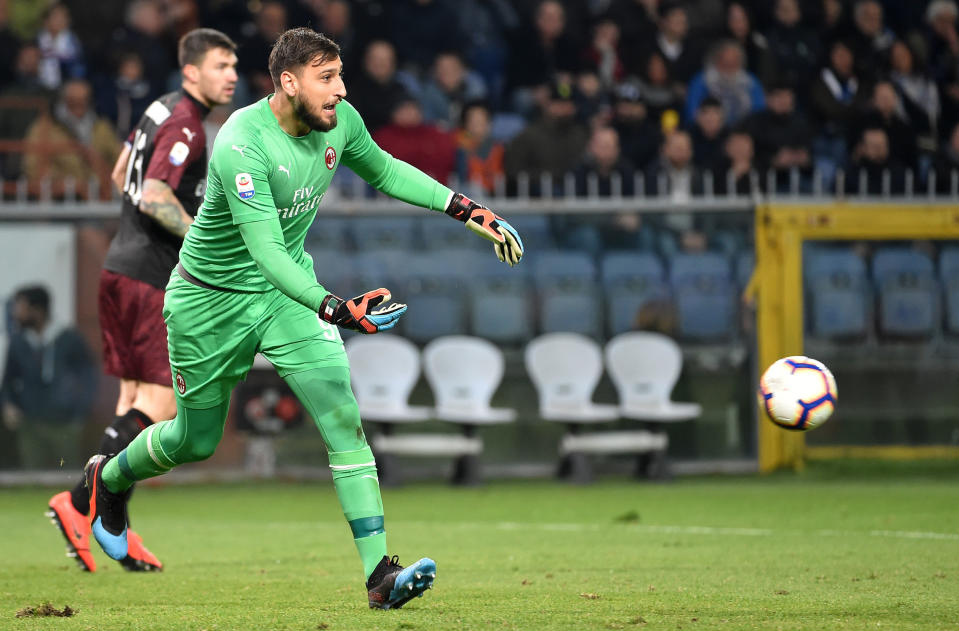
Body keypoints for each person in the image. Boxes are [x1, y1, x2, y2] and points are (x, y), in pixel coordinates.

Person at [82, 28, 523, 611]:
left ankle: (379, 576)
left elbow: (387, 170)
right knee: (197, 440)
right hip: (208, 302)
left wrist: (467, 209)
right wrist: (336, 308)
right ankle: (108, 479)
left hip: (285, 297)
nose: (341, 90)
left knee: (343, 414)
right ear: (288, 83)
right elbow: (262, 249)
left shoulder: (339, 119)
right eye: (327, 78)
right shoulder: (242, 140)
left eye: (340, 76)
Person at [45, 28, 238, 574]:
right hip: (152, 277)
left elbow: (117, 173)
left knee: (133, 401)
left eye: (232, 66)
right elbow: (155, 194)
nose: (231, 75)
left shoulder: (158, 108)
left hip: (118, 267)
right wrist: (201, 238)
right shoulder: (188, 125)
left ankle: (115, 526)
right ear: (192, 71)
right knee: (164, 407)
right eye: (222, 65)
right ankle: (80, 502)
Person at [1, 286, 96, 470]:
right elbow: (8, 381)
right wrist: (8, 404)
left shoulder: (69, 338)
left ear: (37, 310)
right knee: (32, 475)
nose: (16, 313)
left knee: (67, 472)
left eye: (21, 308)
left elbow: (88, 378)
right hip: (30, 423)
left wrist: (80, 414)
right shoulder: (19, 342)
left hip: (64, 423)